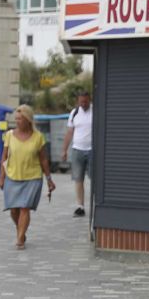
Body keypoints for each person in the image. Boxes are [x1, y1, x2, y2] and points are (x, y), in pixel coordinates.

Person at [0, 105, 55, 249]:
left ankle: (20, 239)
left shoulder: (38, 137)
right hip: (12, 175)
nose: (17, 121)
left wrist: (49, 179)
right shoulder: (10, 135)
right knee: (13, 209)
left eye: (20, 119)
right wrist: (2, 177)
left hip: (32, 177)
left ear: (28, 120)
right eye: (16, 119)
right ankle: (20, 230)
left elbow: (43, 159)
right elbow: (4, 157)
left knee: (24, 208)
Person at [61, 90, 93, 218]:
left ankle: (95, 205)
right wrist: (64, 150)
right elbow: (69, 132)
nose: (83, 104)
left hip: (92, 150)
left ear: (89, 100)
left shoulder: (95, 111)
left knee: (94, 179)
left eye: (85, 101)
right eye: (81, 102)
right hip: (77, 149)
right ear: (78, 101)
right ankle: (80, 206)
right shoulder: (74, 113)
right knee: (78, 179)